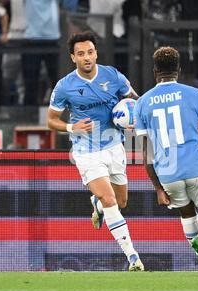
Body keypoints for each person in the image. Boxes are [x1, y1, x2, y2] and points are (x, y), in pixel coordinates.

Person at [47, 31, 144, 272]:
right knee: (110, 198)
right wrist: (71, 126)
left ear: (96, 53)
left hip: (115, 147)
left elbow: (135, 100)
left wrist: (136, 118)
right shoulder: (65, 86)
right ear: (73, 58)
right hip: (86, 150)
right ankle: (132, 256)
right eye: (81, 54)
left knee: (120, 201)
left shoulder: (112, 75)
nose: (86, 57)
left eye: (90, 52)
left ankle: (98, 204)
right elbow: (51, 120)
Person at [134, 46, 198, 276]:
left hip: (167, 174)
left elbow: (146, 153)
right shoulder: (196, 95)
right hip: (195, 167)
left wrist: (157, 188)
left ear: (155, 72)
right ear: (179, 70)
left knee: (186, 212)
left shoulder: (142, 103)